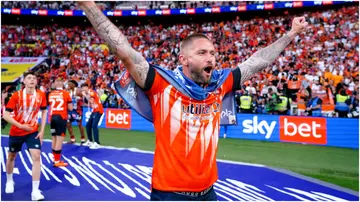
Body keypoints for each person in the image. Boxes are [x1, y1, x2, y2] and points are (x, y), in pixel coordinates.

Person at [79, 1, 308, 200]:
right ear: (184, 59)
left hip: (208, 193)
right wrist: (88, 5)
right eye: (202, 53)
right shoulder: (161, 83)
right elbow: (125, 51)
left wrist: (290, 34)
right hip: (169, 194)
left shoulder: (221, 83)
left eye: (212, 53)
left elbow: (257, 62)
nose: (211, 58)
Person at [2, 72, 47, 201]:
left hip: (32, 131)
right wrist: (20, 126)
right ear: (24, 82)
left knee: (36, 156)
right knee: (11, 156)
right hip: (17, 131)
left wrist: (42, 130)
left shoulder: (41, 95)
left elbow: (44, 112)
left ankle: (35, 191)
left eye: (34, 78)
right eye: (29, 78)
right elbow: (6, 115)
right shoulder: (16, 96)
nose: (32, 80)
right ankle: (9, 180)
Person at [48, 77, 73, 167]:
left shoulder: (51, 94)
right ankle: (57, 160)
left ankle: (54, 157)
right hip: (61, 117)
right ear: (62, 83)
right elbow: (70, 108)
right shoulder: (66, 94)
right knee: (59, 139)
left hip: (52, 118)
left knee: (54, 137)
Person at [81, 83, 104, 149]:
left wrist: (85, 95)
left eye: (83, 88)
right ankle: (90, 141)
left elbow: (91, 101)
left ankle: (97, 142)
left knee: (94, 126)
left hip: (98, 110)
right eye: (82, 88)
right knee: (88, 125)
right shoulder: (90, 93)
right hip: (94, 110)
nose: (83, 89)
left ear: (86, 87)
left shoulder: (91, 92)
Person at [66, 80, 86, 144]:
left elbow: (84, 97)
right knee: (68, 124)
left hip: (78, 110)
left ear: (74, 85)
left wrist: (78, 98)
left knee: (79, 124)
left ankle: (83, 139)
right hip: (70, 110)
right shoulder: (68, 91)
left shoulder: (79, 90)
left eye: (70, 84)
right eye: (68, 84)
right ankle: (72, 139)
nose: (69, 86)